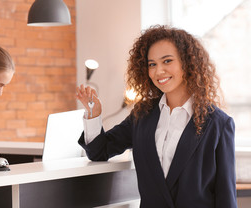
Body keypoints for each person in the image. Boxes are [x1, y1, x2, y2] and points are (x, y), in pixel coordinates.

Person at [76, 25, 237, 208]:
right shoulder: (142, 115)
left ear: (187, 63)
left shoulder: (218, 124)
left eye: (167, 61)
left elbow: (226, 196)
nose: (158, 71)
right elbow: (99, 151)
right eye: (152, 64)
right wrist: (93, 115)